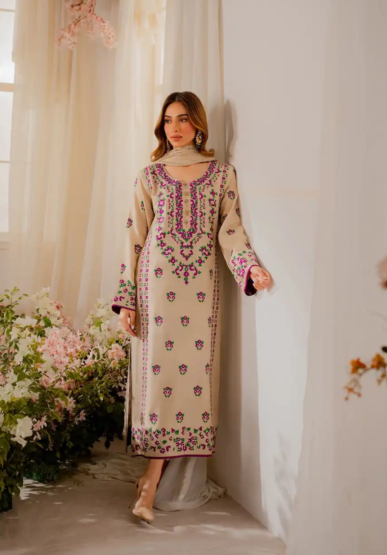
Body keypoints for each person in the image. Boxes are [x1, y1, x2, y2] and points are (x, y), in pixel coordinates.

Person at [112, 91, 271, 522]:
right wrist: (127, 300)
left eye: (182, 119)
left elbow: (230, 230)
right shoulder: (150, 176)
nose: (175, 128)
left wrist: (250, 267)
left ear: (198, 124)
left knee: (193, 379)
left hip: (200, 292)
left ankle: (150, 482)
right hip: (156, 289)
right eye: (168, 120)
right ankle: (150, 482)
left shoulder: (221, 175)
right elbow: (135, 238)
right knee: (159, 378)